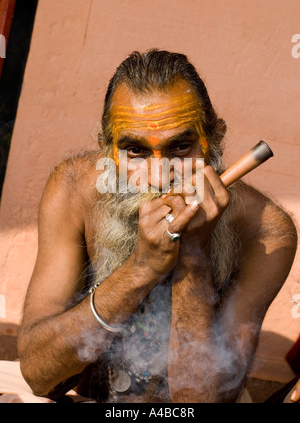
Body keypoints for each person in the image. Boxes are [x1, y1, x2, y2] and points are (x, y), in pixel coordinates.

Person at [13, 49, 297, 403]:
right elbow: (40, 376)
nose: (160, 176)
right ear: (106, 150)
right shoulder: (72, 190)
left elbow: (202, 401)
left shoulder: (265, 230)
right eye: (134, 151)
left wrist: (193, 254)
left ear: (215, 139)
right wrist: (140, 270)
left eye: (180, 146)